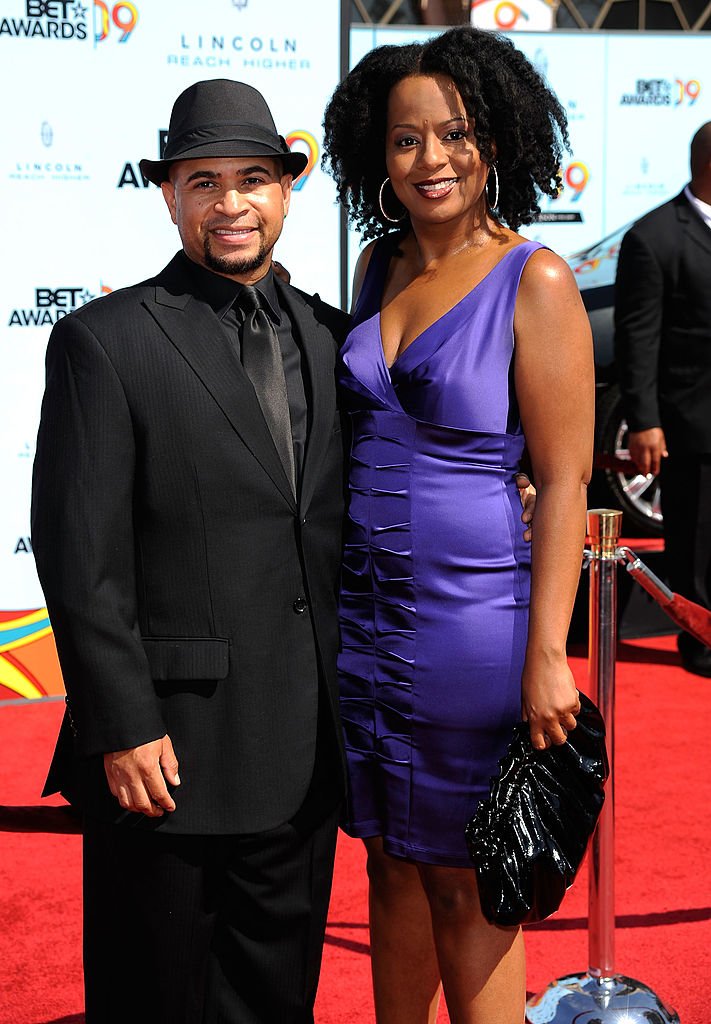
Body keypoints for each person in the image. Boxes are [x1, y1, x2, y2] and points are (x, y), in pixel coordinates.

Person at [31, 79, 350, 1024]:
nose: (230, 203)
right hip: (168, 750)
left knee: (273, 994)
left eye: (253, 178)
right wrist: (119, 722)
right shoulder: (106, 340)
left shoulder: (334, 340)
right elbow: (79, 553)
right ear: (169, 196)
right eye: (203, 181)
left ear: (288, 192)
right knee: (154, 994)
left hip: (305, 739)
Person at [321, 27, 594, 1024]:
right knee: (389, 864)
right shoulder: (374, 266)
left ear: (499, 142)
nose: (431, 158)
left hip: (474, 626)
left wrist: (549, 654)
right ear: (376, 157)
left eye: (457, 134)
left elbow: (564, 480)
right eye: (405, 140)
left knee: (467, 880)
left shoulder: (537, 280)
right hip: (368, 620)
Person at [614, 122, 711, 678]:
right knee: (695, 544)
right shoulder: (654, 236)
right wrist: (645, 420)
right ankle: (700, 643)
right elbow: (639, 338)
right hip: (691, 420)